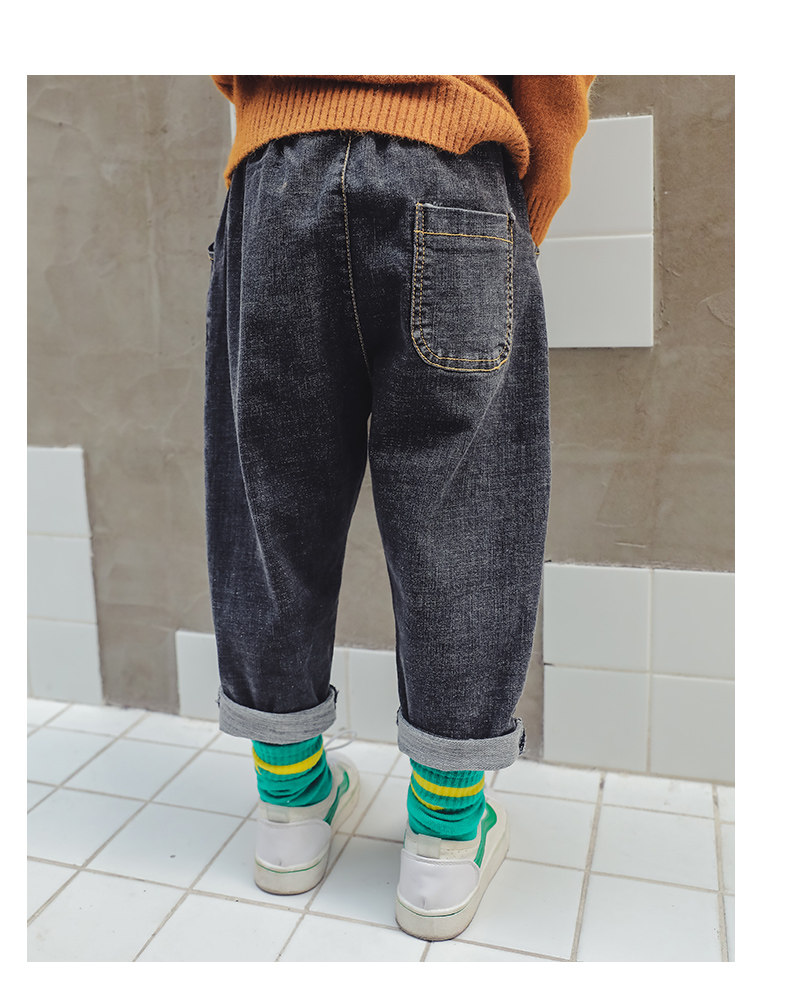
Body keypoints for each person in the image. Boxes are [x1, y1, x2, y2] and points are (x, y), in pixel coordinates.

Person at [204, 74, 594, 942]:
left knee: (273, 498)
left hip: (279, 175)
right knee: (465, 516)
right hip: (455, 167)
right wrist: (523, 206)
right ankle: (443, 843)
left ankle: (290, 810)